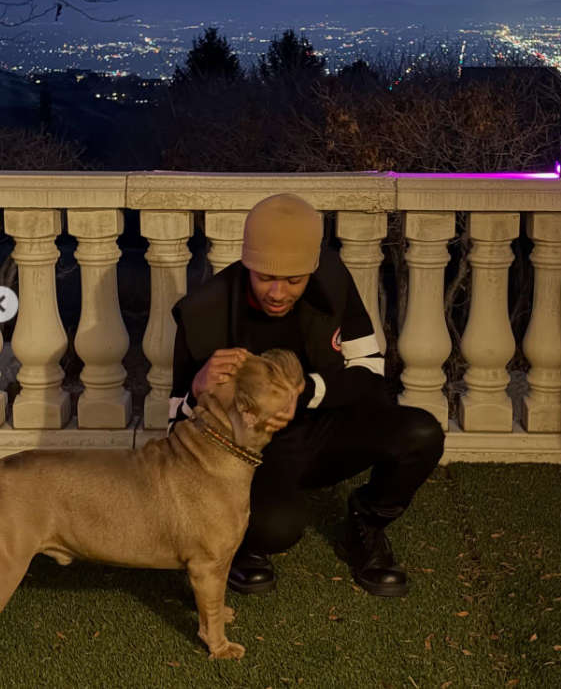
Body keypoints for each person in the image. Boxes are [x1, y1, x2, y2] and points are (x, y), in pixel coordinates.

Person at [168, 193, 445, 598]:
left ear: (312, 267)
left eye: (293, 280)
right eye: (265, 277)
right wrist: (197, 388)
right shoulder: (203, 312)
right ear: (247, 262)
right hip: (253, 452)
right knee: (277, 528)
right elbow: (174, 426)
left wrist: (306, 392)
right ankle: (242, 543)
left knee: (422, 432)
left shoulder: (332, 278)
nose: (277, 292)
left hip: (324, 426)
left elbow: (370, 373)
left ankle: (366, 525)